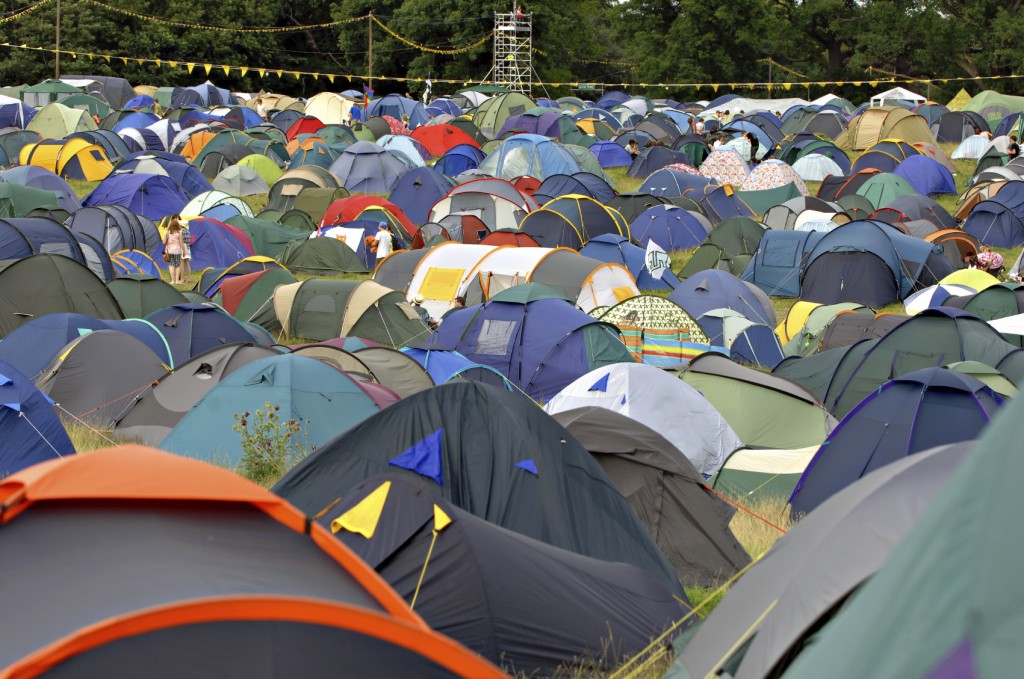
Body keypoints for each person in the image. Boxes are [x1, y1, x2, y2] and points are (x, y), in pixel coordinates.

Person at [163, 219, 185, 285]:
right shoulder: (179, 233)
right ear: (177, 225)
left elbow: (164, 242)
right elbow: (181, 243)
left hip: (169, 251)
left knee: (171, 265)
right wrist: (184, 251)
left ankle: (172, 280)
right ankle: (177, 280)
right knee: (177, 266)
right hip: (177, 251)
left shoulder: (167, 232)